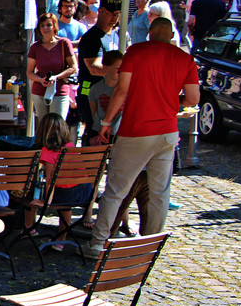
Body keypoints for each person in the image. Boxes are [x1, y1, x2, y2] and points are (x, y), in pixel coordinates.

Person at [85, 17, 200, 259]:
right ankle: (148, 247)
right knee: (160, 193)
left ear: (149, 33)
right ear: (171, 35)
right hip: (167, 132)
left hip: (135, 129)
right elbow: (192, 99)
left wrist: (106, 122)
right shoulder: (185, 59)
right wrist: (170, 101)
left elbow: (121, 90)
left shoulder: (136, 51)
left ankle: (97, 243)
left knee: (116, 190)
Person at [25, 113, 92, 250]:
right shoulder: (70, 145)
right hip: (83, 192)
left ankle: (29, 227)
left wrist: (46, 202)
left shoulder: (48, 152)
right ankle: (62, 238)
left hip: (64, 196)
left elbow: (50, 180)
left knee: (31, 193)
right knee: (65, 198)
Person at [76, 0, 121, 144]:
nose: (114, 17)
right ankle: (90, 166)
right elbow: (94, 68)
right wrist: (121, 73)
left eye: (117, 13)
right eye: (110, 13)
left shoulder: (115, 35)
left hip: (110, 93)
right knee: (94, 134)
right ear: (100, 11)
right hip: (91, 93)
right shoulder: (92, 38)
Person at [26, 13, 78, 121]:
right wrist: (40, 80)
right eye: (42, 25)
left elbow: (74, 67)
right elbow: (30, 72)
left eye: (49, 25)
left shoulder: (64, 43)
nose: (45, 28)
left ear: (54, 26)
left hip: (59, 90)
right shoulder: (35, 47)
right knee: (43, 125)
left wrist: (57, 77)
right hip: (39, 91)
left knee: (57, 124)